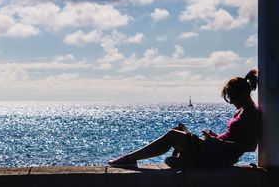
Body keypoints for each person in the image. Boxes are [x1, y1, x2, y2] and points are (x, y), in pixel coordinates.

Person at [108, 69, 261, 168]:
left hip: (219, 156)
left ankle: (130, 158)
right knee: (178, 130)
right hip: (213, 150)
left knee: (174, 136)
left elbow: (250, 147)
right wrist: (215, 137)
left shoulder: (252, 113)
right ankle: (187, 161)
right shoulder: (241, 111)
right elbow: (233, 137)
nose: (231, 101)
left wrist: (218, 142)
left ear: (243, 93)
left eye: (232, 97)